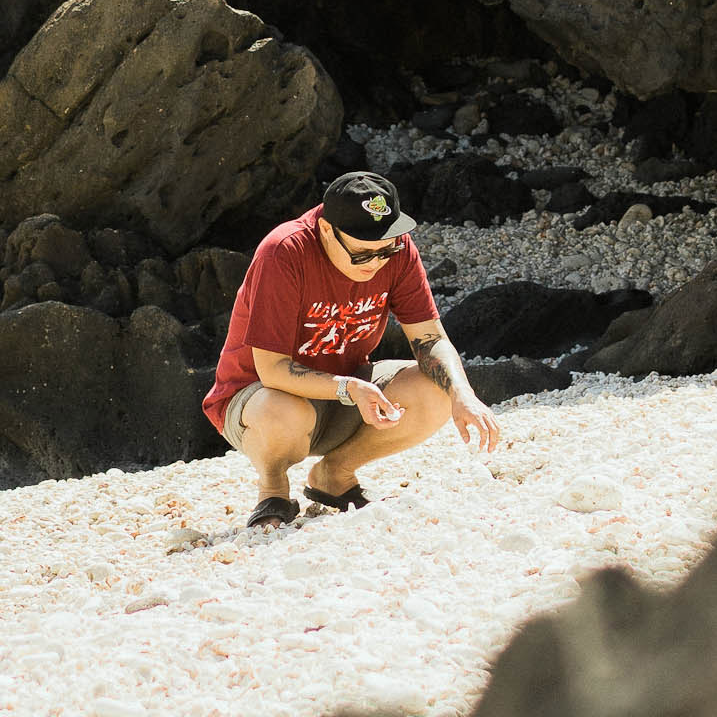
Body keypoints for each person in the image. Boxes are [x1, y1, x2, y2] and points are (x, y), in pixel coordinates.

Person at [202, 169, 501, 527]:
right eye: (362, 254)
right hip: (260, 401)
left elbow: (430, 339)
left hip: (344, 393)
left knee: (436, 389)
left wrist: (462, 394)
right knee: (282, 410)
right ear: (327, 230)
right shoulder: (285, 252)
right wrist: (348, 388)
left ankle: (335, 474)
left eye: (385, 250)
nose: (376, 263)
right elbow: (273, 369)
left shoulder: (396, 249)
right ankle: (274, 490)